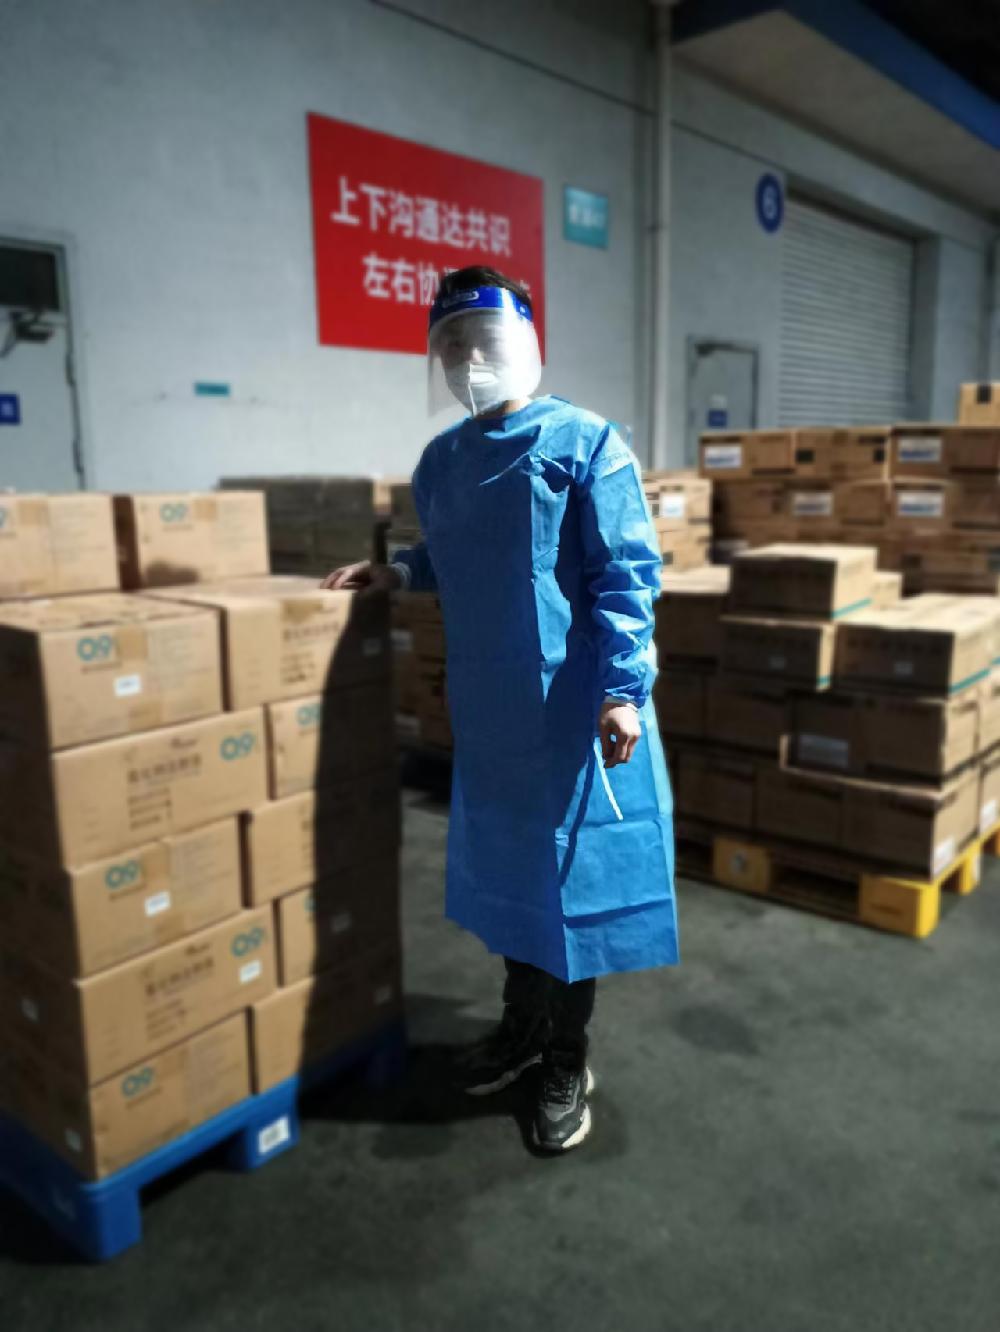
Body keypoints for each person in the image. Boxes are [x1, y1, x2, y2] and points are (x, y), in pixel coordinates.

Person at [324, 266, 677, 1152]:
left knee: (571, 889)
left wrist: (623, 691)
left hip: (572, 715)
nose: (465, 361)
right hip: (491, 716)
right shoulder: (443, 462)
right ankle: (522, 1026)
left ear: (519, 343)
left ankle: (566, 1058)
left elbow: (626, 574)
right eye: (449, 346)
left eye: (478, 342)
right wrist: (396, 570)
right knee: (515, 882)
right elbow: (453, 553)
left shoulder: (588, 443)